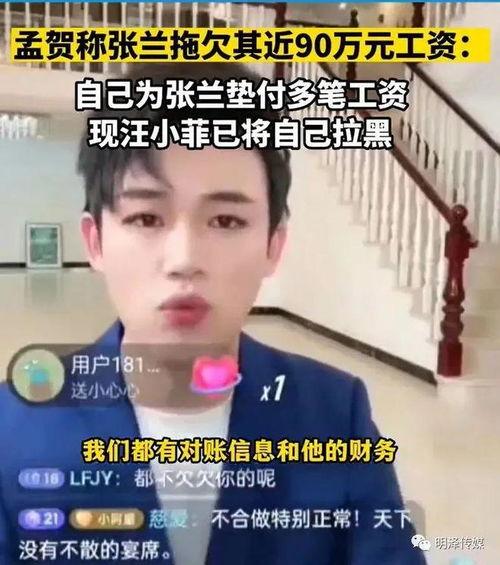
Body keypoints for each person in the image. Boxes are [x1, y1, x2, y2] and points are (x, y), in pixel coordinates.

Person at [0, 62, 426, 565]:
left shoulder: (335, 413)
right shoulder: (14, 425)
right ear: (95, 242)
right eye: (146, 217)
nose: (184, 260)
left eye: (226, 220)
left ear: (273, 246)